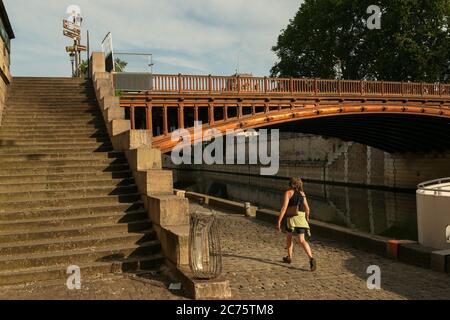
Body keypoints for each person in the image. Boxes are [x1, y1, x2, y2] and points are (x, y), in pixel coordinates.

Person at [277, 177, 317, 271]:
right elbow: (307, 209)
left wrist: (279, 221)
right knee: (302, 240)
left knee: (289, 237)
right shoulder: (303, 194)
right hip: (301, 218)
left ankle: (289, 257)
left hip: (291, 218)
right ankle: (311, 258)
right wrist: (306, 218)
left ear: (291, 184)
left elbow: (284, 208)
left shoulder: (288, 193)